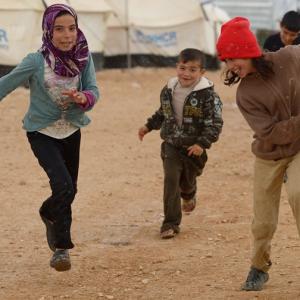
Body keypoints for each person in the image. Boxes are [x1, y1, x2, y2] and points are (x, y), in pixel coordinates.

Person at [0, 4, 99, 271]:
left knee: (69, 190)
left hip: (71, 130)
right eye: (59, 29)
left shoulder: (84, 57)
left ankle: (48, 212)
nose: (67, 35)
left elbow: (93, 89)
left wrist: (84, 98)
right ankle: (62, 249)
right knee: (64, 186)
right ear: (48, 30)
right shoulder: (36, 61)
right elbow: (5, 84)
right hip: (41, 132)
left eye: (72, 28)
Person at [217, 16, 300, 291]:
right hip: (270, 154)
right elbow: (271, 133)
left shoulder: (290, 57)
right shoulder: (245, 94)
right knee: (263, 220)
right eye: (226, 61)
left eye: (233, 58)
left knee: (299, 193)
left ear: (247, 50)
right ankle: (259, 267)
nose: (230, 66)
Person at [138, 48, 223, 239]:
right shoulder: (169, 89)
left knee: (186, 182)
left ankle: (189, 193)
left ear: (202, 73)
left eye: (193, 70)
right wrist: (148, 126)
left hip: (195, 149)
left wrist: (202, 144)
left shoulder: (208, 95)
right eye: (183, 68)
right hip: (171, 144)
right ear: (177, 66)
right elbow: (163, 112)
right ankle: (170, 223)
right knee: (171, 180)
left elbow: (215, 123)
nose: (186, 73)